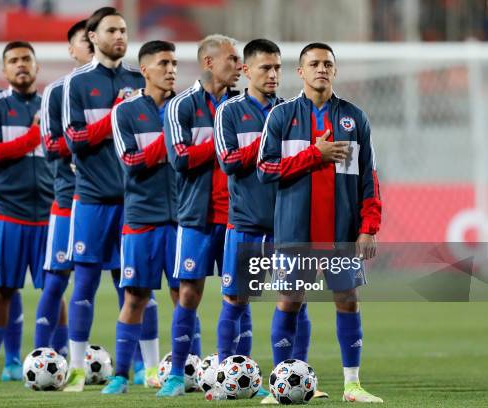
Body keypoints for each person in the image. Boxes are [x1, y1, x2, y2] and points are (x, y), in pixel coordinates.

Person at [257, 42, 383, 403]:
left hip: (341, 233)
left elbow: (369, 178)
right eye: (313, 63)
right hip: (296, 232)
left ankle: (353, 385)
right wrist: (316, 154)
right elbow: (264, 170)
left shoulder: (354, 117)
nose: (321, 69)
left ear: (335, 70)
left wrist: (367, 227)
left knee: (347, 300)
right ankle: (278, 385)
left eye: (328, 63)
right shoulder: (281, 117)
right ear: (300, 72)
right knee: (289, 301)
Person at [214, 38, 327, 402]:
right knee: (235, 300)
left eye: (278, 67)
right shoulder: (229, 112)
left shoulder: (294, 112)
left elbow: (310, 163)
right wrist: (267, 140)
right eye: (265, 67)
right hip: (246, 223)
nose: (273, 74)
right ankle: (225, 378)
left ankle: (297, 378)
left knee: (297, 300)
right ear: (246, 70)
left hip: (288, 225)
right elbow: (229, 162)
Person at [61, 7, 150, 391]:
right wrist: (116, 115)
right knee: (83, 284)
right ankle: (77, 368)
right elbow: (74, 140)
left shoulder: (139, 78)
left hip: (136, 201)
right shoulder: (76, 84)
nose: (120, 35)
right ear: (93, 37)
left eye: (124, 29)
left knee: (135, 286)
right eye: (112, 30)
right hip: (93, 199)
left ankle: (147, 368)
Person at [158, 34, 242, 397]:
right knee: (188, 292)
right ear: (209, 62)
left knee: (238, 294)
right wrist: (225, 143)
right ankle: (178, 373)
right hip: (195, 215)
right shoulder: (181, 106)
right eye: (232, 59)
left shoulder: (246, 105)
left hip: (239, 216)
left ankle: (234, 372)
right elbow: (179, 159)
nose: (239, 66)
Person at [103, 40, 179, 394]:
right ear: (145, 70)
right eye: (163, 63)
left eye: (174, 63)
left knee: (185, 296)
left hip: (183, 218)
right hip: (141, 217)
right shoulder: (125, 111)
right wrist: (171, 138)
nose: (171, 69)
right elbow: (132, 163)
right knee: (135, 298)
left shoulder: (187, 107)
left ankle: (185, 370)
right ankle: (120, 374)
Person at [0, 41, 52, 385]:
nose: (21, 65)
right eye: (14, 61)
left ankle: (56, 358)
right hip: (8, 212)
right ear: (3, 70)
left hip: (49, 214)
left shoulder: (51, 104)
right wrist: (33, 135)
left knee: (53, 289)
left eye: (26, 59)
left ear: (37, 67)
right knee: (2, 290)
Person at [33, 18, 93, 361]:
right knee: (56, 277)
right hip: (68, 198)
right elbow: (52, 146)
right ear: (71, 50)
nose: (90, 43)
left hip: (120, 202)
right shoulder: (57, 91)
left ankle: (142, 367)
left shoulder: (131, 85)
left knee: (130, 282)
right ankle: (44, 356)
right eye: (83, 40)